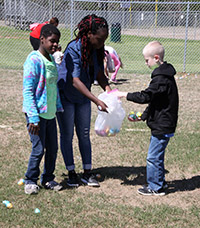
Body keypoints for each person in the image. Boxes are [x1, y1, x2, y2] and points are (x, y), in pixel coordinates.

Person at [115, 41, 179, 196]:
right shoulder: (164, 76)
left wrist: (125, 94)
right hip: (163, 122)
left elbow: (146, 96)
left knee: (152, 158)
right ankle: (159, 183)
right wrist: (143, 116)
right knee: (157, 156)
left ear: (156, 58)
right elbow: (156, 102)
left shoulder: (161, 79)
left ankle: (155, 187)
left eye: (147, 60)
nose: (146, 63)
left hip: (163, 124)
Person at [57, 14, 112, 188]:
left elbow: (98, 74)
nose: (102, 42)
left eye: (105, 39)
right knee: (67, 135)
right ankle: (71, 172)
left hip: (83, 98)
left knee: (84, 134)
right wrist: (96, 100)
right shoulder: (74, 48)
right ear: (88, 34)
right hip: (66, 96)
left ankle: (87, 173)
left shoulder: (96, 49)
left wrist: (109, 90)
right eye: (100, 38)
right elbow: (74, 80)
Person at [23, 24, 63, 194]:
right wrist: (33, 117)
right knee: (38, 149)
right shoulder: (34, 59)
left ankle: (48, 178)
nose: (55, 45)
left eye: (57, 42)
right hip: (37, 115)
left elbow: (53, 86)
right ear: (42, 40)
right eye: (51, 41)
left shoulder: (52, 59)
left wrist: (58, 107)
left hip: (50, 114)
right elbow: (28, 90)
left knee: (53, 148)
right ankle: (30, 180)